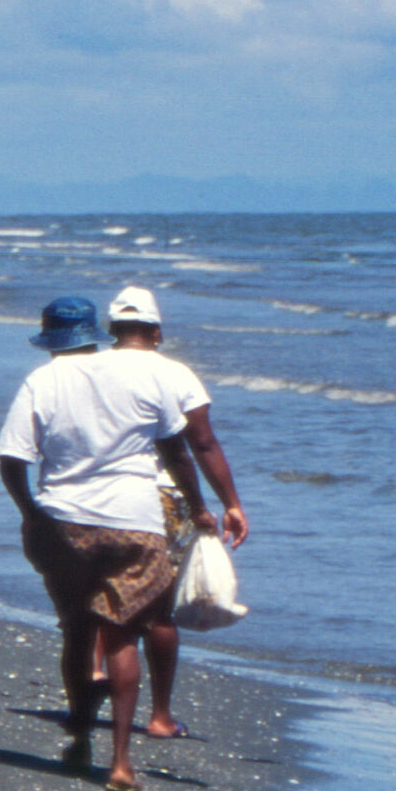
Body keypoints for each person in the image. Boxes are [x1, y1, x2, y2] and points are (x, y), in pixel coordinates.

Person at [0, 296, 209, 791]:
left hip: (64, 523)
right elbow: (176, 452)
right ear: (97, 332)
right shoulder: (142, 375)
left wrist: (30, 513)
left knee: (76, 631)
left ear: (50, 341)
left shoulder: (41, 380)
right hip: (136, 522)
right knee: (121, 636)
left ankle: (79, 725)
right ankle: (120, 762)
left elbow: (11, 459)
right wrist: (199, 506)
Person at [97, 285, 248, 740]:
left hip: (98, 497)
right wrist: (229, 505)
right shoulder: (177, 374)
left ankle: (94, 677)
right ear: (156, 332)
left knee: (106, 598)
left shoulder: (87, 369)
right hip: (163, 497)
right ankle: (159, 715)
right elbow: (200, 443)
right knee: (159, 611)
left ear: (112, 330)